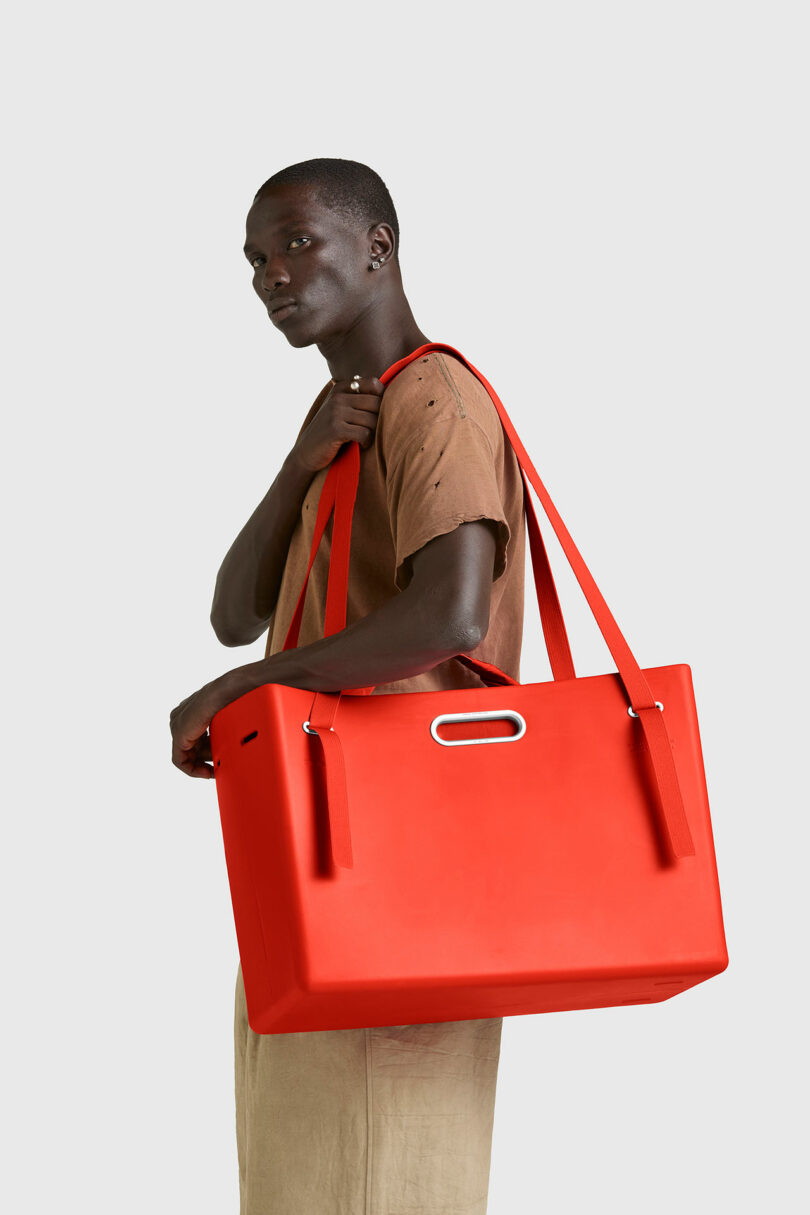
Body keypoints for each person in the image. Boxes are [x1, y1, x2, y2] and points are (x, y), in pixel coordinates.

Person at [170, 157, 527, 1214]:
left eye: (295, 243)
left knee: (379, 1171)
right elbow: (236, 607)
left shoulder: (437, 401)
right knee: (303, 1175)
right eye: (254, 259)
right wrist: (297, 463)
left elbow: (451, 614)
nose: (270, 275)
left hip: (408, 861)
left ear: (378, 248)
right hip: (327, 857)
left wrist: (247, 688)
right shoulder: (347, 424)